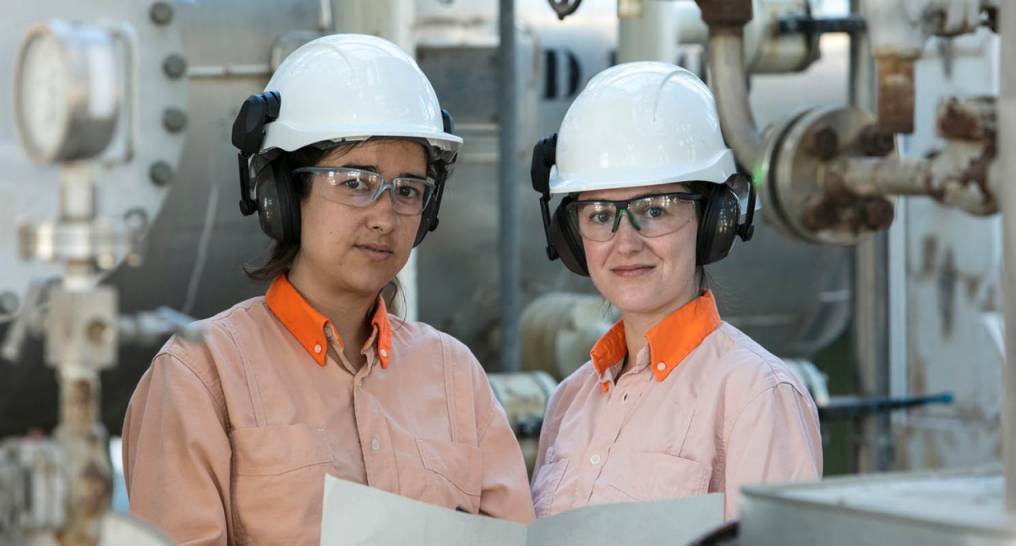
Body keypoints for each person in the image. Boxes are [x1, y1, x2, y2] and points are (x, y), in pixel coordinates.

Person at [122, 34, 534, 546]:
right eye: (355, 182)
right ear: (281, 193)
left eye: (408, 190)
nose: (385, 217)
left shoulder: (455, 377)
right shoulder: (200, 375)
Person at [528, 61, 822, 520]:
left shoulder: (755, 395)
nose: (626, 243)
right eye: (600, 215)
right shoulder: (568, 402)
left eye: (657, 210)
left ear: (713, 222)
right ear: (571, 238)